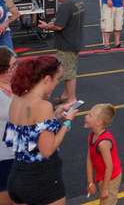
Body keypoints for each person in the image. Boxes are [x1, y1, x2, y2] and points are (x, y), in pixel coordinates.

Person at [5, 56, 78, 205]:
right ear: (46, 79)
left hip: (16, 177)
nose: (57, 83)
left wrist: (54, 117)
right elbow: (47, 150)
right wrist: (67, 122)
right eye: (57, 79)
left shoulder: (16, 100)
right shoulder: (43, 106)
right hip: (41, 180)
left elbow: (27, 134)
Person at [36, 0, 85, 105]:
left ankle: (71, 99)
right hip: (76, 40)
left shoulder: (66, 5)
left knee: (68, 73)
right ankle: (66, 95)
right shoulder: (79, 1)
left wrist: (46, 26)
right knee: (70, 68)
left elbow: (58, 26)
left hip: (66, 43)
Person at [84, 104, 122, 204]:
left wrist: (105, 188)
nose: (85, 116)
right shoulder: (92, 135)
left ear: (99, 122)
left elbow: (110, 167)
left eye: (89, 115)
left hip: (111, 178)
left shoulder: (103, 143)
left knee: (107, 202)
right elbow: (89, 158)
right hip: (102, 176)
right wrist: (90, 182)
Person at [0, 47, 16, 205]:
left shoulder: (16, 86)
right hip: (2, 155)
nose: (15, 69)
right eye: (12, 66)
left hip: (18, 152)